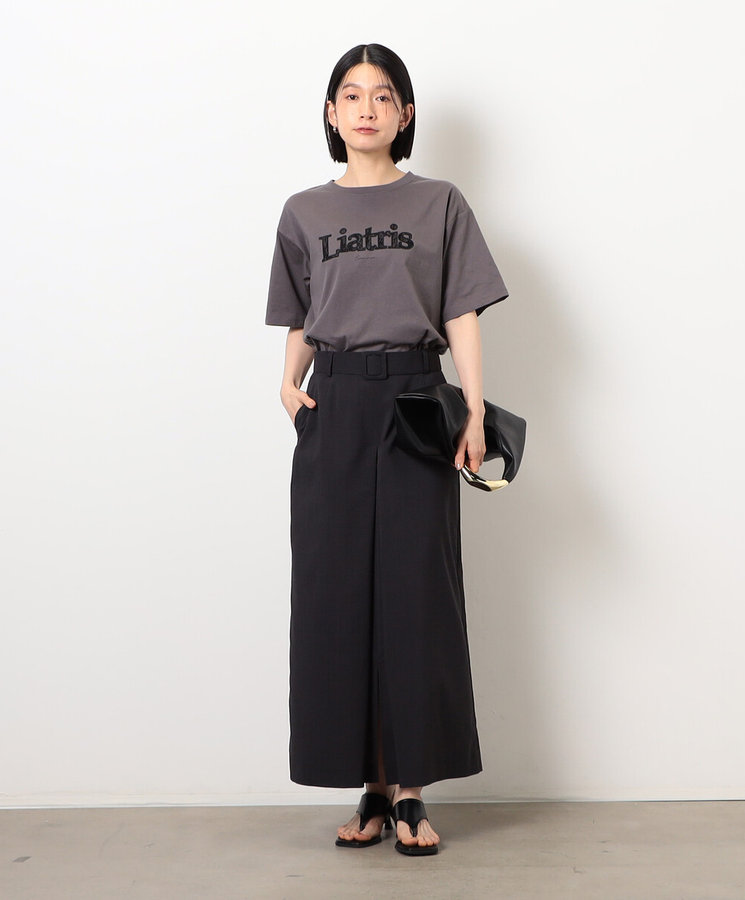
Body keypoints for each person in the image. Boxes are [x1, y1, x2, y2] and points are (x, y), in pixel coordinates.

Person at [265, 43, 509, 856]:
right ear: (331, 114)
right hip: (333, 404)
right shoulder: (303, 211)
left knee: (415, 596)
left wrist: (473, 409)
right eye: (350, 94)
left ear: (405, 114)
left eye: (382, 95)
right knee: (336, 596)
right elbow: (303, 314)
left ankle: (409, 791)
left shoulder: (440, 202)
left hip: (414, 401)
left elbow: (461, 310)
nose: (366, 107)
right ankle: (367, 784)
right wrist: (287, 382)